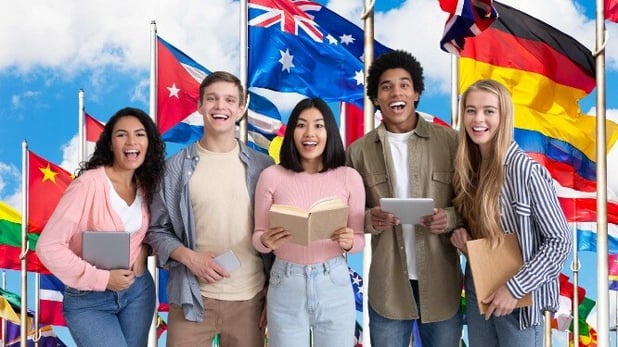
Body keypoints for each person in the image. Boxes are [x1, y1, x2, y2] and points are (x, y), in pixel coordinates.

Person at [146, 71, 274, 347]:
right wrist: (191, 258)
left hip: (249, 299)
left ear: (241, 108)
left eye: (229, 100)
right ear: (200, 106)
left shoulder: (264, 168)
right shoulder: (174, 169)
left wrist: (272, 293)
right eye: (212, 99)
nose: (220, 107)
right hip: (191, 298)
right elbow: (157, 229)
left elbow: (277, 236)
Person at [346, 49, 463, 347]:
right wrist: (369, 219)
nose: (395, 92)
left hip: (442, 282)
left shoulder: (450, 142)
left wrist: (448, 217)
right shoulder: (358, 152)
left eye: (404, 84)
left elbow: (472, 204)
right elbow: (344, 216)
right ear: (376, 98)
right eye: (386, 86)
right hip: (388, 285)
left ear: (417, 93)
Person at [449, 79, 571, 346]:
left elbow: (560, 242)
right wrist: (466, 245)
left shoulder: (527, 171)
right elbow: (491, 237)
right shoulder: (468, 171)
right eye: (471, 110)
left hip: (520, 299)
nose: (478, 119)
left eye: (488, 111)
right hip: (479, 287)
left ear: (504, 116)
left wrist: (514, 288)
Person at [36, 107, 166, 347]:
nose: (131, 141)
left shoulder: (147, 185)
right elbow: (48, 247)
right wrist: (103, 279)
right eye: (121, 135)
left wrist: (145, 250)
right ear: (109, 144)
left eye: (140, 134)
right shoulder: (87, 186)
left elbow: (148, 232)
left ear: (149, 143)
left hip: (138, 293)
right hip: (89, 300)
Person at [252, 97, 365, 346]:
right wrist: (265, 240)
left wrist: (348, 242)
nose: (309, 133)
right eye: (301, 125)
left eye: (318, 125)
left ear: (330, 132)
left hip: (333, 280)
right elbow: (258, 236)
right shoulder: (271, 176)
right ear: (291, 132)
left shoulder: (349, 177)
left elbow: (358, 241)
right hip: (285, 280)